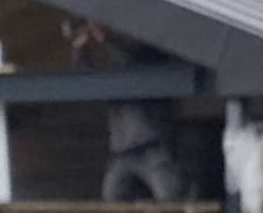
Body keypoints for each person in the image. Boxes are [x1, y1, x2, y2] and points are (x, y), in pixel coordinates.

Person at [68, 19, 182, 203]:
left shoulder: (148, 61)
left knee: (169, 195)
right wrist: (81, 49)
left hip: (150, 147)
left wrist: (106, 37)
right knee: (111, 198)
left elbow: (133, 54)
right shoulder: (113, 78)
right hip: (121, 152)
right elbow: (84, 80)